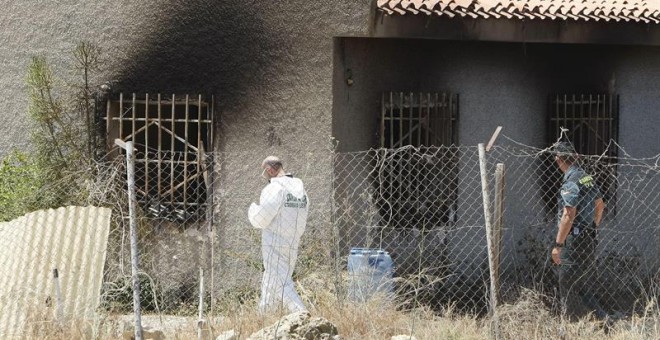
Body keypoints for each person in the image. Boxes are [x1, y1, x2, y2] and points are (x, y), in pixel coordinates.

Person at [551, 142, 608, 321]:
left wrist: (558, 245)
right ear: (575, 157)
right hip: (587, 238)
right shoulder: (586, 177)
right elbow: (600, 205)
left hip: (574, 241)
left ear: (558, 160)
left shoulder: (571, 182)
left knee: (566, 283)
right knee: (580, 284)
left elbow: (568, 215)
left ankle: (568, 325)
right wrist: (593, 227)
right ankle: (603, 319)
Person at [248, 156, 309, 313]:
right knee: (271, 278)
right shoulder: (299, 188)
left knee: (281, 281)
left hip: (274, 240)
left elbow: (262, 217)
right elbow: (304, 211)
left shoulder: (274, 188)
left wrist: (252, 210)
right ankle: (264, 315)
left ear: (269, 170)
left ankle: (302, 314)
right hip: (292, 239)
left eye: (265, 172)